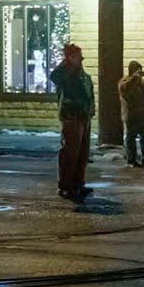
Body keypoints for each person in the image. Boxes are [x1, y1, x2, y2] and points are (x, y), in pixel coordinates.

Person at [49, 42, 95, 203]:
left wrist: (90, 111)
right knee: (70, 152)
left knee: (82, 153)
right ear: (69, 58)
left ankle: (78, 183)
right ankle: (66, 186)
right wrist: (68, 65)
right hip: (71, 116)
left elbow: (88, 93)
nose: (81, 59)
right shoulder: (65, 73)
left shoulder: (81, 74)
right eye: (77, 56)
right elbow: (55, 76)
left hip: (84, 116)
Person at [119, 60, 144, 168]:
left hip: (143, 115)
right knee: (131, 137)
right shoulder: (125, 82)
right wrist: (133, 79)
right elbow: (124, 91)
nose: (139, 72)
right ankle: (131, 159)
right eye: (137, 70)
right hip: (132, 115)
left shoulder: (143, 83)